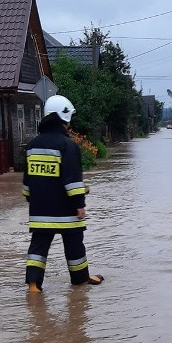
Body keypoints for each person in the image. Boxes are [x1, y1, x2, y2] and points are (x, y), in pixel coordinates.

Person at [22, 94, 104, 294]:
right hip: (66, 212)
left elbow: (27, 183)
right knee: (75, 246)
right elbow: (73, 181)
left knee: (38, 249)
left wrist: (33, 200)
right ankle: (81, 281)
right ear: (64, 116)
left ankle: (33, 286)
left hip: (40, 212)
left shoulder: (32, 146)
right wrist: (80, 204)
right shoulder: (68, 146)